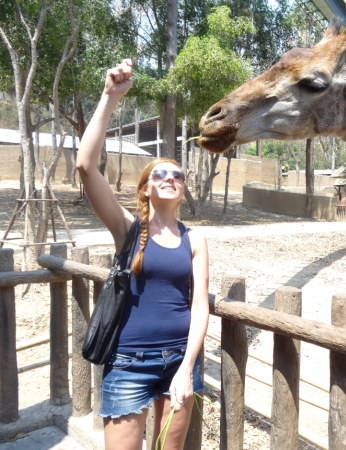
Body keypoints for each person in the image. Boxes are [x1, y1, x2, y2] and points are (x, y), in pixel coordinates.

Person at [76, 59, 209, 450]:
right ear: (146, 189)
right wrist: (109, 96)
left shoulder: (196, 239)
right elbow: (85, 166)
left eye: (178, 175)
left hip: (180, 361)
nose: (170, 178)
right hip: (129, 362)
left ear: (183, 189)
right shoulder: (128, 230)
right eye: (160, 175)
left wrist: (186, 368)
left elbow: (200, 306)